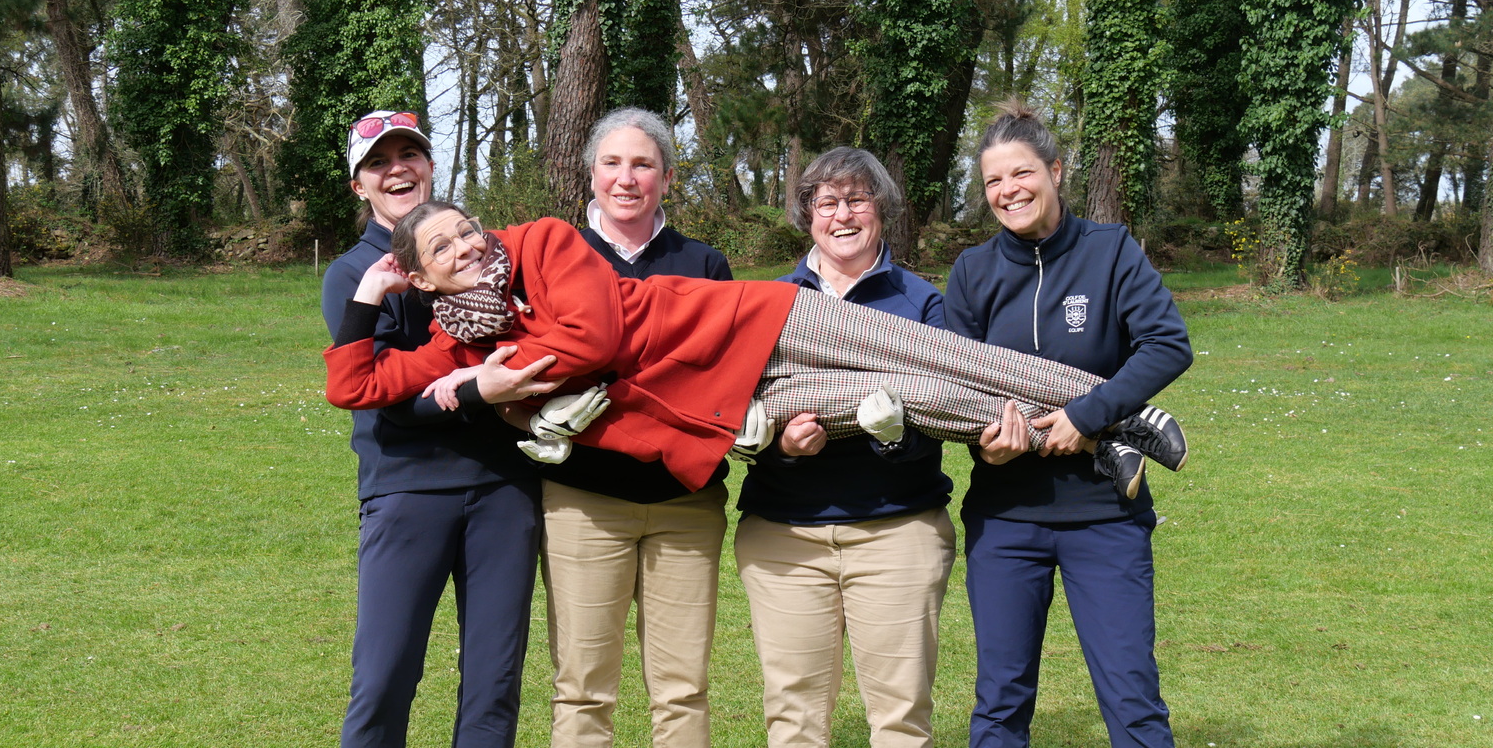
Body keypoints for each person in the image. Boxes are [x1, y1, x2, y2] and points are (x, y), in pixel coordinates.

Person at [321, 208, 1188, 497]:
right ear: (422, 277)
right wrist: (367, 303)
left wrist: (501, 382)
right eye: (444, 249)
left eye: (467, 229)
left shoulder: (543, 242)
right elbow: (359, 386)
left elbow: (595, 339)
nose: (469, 247)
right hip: (728, 404)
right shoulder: (456, 339)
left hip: (752, 325)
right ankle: (1099, 439)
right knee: (915, 397)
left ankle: (1116, 408)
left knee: (938, 356)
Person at [946, 99, 1206, 748]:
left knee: (1131, 690)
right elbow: (951, 387)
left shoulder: (1111, 250)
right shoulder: (971, 273)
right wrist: (985, 445)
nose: (1009, 190)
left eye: (1023, 172)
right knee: (1001, 692)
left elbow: (1166, 343)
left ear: (1056, 172)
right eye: (994, 180)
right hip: (1007, 517)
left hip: (1103, 515)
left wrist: (1087, 416)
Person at [297, 111, 558, 748]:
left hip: (502, 492)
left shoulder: (482, 255)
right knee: (383, 677)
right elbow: (375, 394)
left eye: (410, 153)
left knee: (493, 678)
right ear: (360, 184)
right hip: (405, 492)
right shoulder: (355, 274)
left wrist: (493, 388)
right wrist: (475, 390)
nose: (398, 169)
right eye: (381, 162)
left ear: (431, 165)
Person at [733, 148, 955, 748]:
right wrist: (773, 445)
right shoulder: (768, 302)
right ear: (807, 215)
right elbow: (736, 407)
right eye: (827, 202)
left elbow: (945, 416)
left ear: (881, 209)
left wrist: (892, 438)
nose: (843, 214)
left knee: (900, 702)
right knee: (794, 700)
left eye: (857, 200)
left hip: (898, 530)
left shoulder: (920, 302)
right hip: (785, 534)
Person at [536, 109, 736, 748]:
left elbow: (723, 372)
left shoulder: (702, 262)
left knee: (681, 684)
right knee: (584, 685)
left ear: (667, 177)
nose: (627, 178)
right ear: (590, 172)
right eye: (613, 163)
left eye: (644, 164)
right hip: (586, 502)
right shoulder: (555, 256)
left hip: (685, 504)